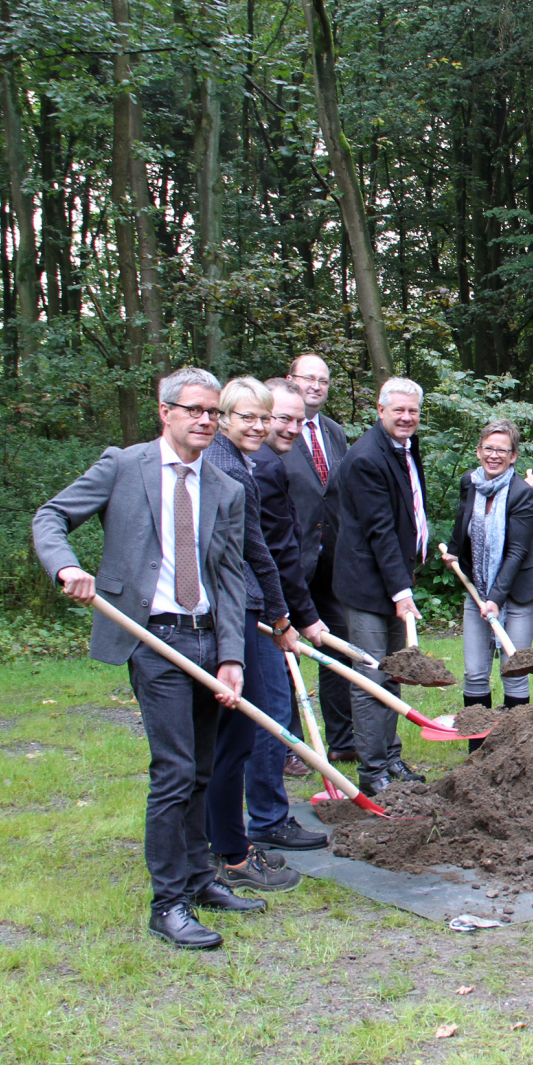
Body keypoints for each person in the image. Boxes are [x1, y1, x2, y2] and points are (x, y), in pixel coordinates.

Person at [33, 367, 259, 950]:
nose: (206, 420)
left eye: (214, 412)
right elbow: (50, 516)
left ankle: (200, 878)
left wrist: (232, 656)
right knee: (176, 769)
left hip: (209, 639)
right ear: (166, 411)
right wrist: (67, 566)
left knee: (204, 771)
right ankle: (169, 904)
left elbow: (231, 577)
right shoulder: (123, 466)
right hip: (151, 638)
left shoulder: (226, 488)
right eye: (195, 410)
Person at [201, 377, 317, 891]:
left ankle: (226, 840)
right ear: (225, 417)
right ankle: (240, 841)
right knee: (247, 724)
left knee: (234, 731)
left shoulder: (235, 462)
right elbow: (257, 551)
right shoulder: (230, 468)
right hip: (239, 610)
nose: (259, 426)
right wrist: (281, 616)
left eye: (263, 417)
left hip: (244, 608)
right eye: (246, 416)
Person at [231, 377, 333, 867]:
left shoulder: (258, 460)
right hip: (256, 609)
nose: (290, 428)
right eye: (280, 418)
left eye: (297, 420)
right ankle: (269, 820)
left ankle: (257, 818)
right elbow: (274, 553)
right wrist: (294, 617)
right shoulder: (264, 467)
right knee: (270, 710)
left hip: (257, 605)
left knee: (262, 713)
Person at [331, 377, 432, 799]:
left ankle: (390, 757)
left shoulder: (405, 447)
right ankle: (373, 773)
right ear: (380, 410)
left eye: (413, 411)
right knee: (372, 677)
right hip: (368, 587)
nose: (406, 417)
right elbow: (380, 531)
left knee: (393, 672)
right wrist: (400, 591)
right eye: (399, 411)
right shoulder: (367, 458)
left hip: (392, 580)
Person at [442, 418, 533, 712]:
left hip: (519, 593)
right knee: (474, 673)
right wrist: (452, 550)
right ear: (478, 451)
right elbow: (463, 519)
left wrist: (494, 599)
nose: (494, 455)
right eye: (488, 448)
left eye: (502, 450)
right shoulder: (470, 482)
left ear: (513, 456)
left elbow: (515, 552)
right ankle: (478, 749)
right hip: (478, 587)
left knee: (514, 671)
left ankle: (512, 749)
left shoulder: (522, 495)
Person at [282, 353, 354, 761]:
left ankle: (343, 742)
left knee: (338, 644)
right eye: (308, 378)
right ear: (290, 380)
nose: (316, 386)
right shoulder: (275, 431)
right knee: (283, 652)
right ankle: (290, 746)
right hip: (289, 560)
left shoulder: (334, 432)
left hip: (331, 563)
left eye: (323, 380)